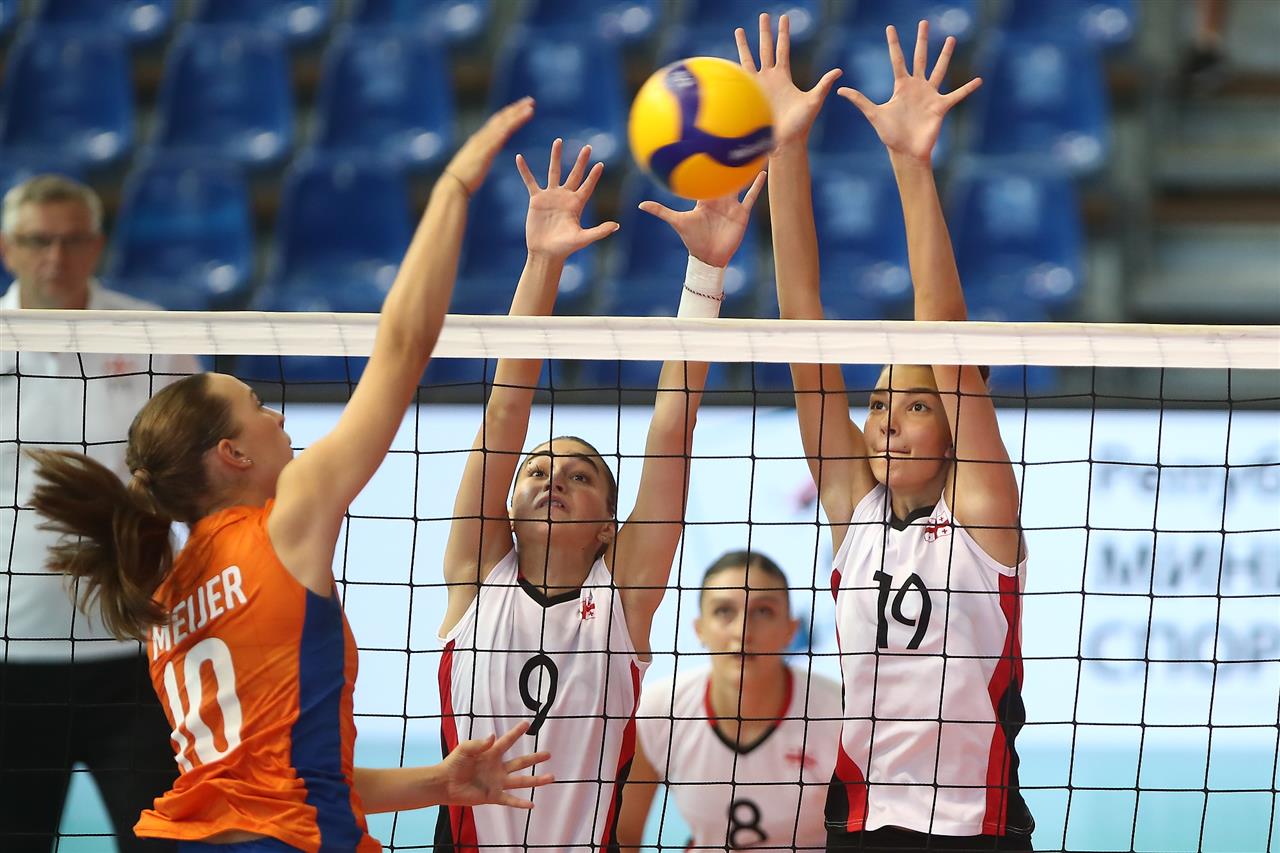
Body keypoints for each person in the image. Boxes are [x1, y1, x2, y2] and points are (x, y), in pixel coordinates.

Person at [26, 100, 556, 852]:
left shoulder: (166, 593)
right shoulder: (286, 518)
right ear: (233, 455)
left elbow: (275, 779)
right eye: (256, 407)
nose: (277, 416)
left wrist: (437, 783)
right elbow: (404, 344)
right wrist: (452, 188)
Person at [745, 14, 1035, 852]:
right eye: (878, 405)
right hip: (862, 821)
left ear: (951, 429)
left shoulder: (982, 515)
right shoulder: (857, 510)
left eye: (914, 405)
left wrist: (911, 164)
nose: (887, 422)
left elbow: (944, 331)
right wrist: (784, 149)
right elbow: (802, 324)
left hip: (977, 828)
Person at [435, 137, 766, 851]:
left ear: (609, 528)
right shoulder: (477, 573)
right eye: (536, 471)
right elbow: (505, 409)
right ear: (508, 506)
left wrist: (706, 273)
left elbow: (673, 427)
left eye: (580, 475)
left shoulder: (624, 599)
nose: (554, 478)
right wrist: (543, 262)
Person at [0, 174, 202, 852]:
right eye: (38, 241)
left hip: (136, 650)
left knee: (164, 842)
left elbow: (200, 477)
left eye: (71, 239)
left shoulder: (151, 335)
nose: (54, 257)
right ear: (8, 247)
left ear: (97, 244)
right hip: (11, 658)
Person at [618, 550, 843, 852]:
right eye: (724, 611)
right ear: (700, 629)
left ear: (790, 630)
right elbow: (624, 837)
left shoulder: (840, 715)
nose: (743, 632)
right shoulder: (659, 711)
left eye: (763, 612)